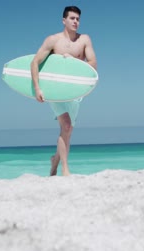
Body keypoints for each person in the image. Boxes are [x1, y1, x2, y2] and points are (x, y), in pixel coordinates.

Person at [30, 6, 97, 176]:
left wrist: (74, 63)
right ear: (64, 20)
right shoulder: (53, 40)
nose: (76, 21)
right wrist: (37, 88)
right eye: (72, 18)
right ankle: (65, 169)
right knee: (65, 124)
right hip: (54, 89)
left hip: (75, 92)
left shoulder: (84, 40)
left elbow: (93, 64)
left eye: (78, 19)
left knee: (68, 131)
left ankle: (54, 161)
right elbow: (35, 63)